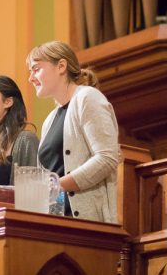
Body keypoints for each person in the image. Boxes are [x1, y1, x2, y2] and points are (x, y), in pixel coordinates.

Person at [26, 41, 119, 223]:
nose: (31, 78)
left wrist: (56, 185)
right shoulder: (49, 119)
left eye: (36, 69)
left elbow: (107, 158)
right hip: (55, 222)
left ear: (61, 66)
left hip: (88, 223)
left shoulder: (87, 98)